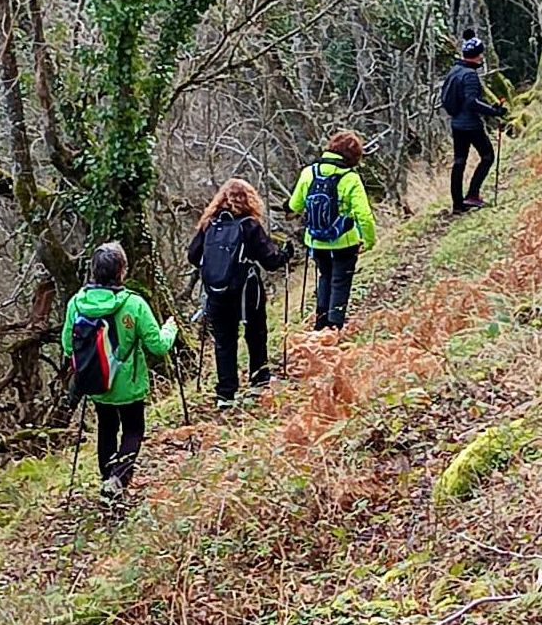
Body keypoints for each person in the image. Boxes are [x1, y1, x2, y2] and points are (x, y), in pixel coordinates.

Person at [62, 242, 177, 497]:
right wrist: (170, 329)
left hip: (96, 382)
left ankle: (108, 479)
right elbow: (158, 346)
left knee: (107, 428)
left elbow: (68, 347)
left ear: (93, 270)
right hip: (129, 385)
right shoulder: (134, 304)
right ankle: (118, 479)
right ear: (121, 270)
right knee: (133, 429)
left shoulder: (76, 304)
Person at [187, 179, 295, 408]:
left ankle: (225, 394)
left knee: (224, 341)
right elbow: (270, 260)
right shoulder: (249, 226)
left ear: (221, 200)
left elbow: (193, 256)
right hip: (247, 292)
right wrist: (285, 255)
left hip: (216, 293)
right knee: (255, 333)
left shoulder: (209, 224)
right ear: (250, 199)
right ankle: (259, 381)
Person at [289, 130, 377, 332]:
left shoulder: (309, 172)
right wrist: (369, 240)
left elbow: (295, 206)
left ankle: (320, 325)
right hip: (345, 241)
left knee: (325, 277)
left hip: (316, 240)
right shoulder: (350, 178)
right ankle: (334, 327)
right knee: (340, 282)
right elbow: (364, 215)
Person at [440, 37, 507, 215]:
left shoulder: (455, 70)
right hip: (471, 125)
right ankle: (472, 194)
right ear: (477, 56)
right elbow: (472, 102)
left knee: (459, 162)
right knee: (488, 156)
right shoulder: (469, 75)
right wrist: (494, 112)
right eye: (481, 54)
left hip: (456, 123)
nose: (482, 57)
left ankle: (457, 204)